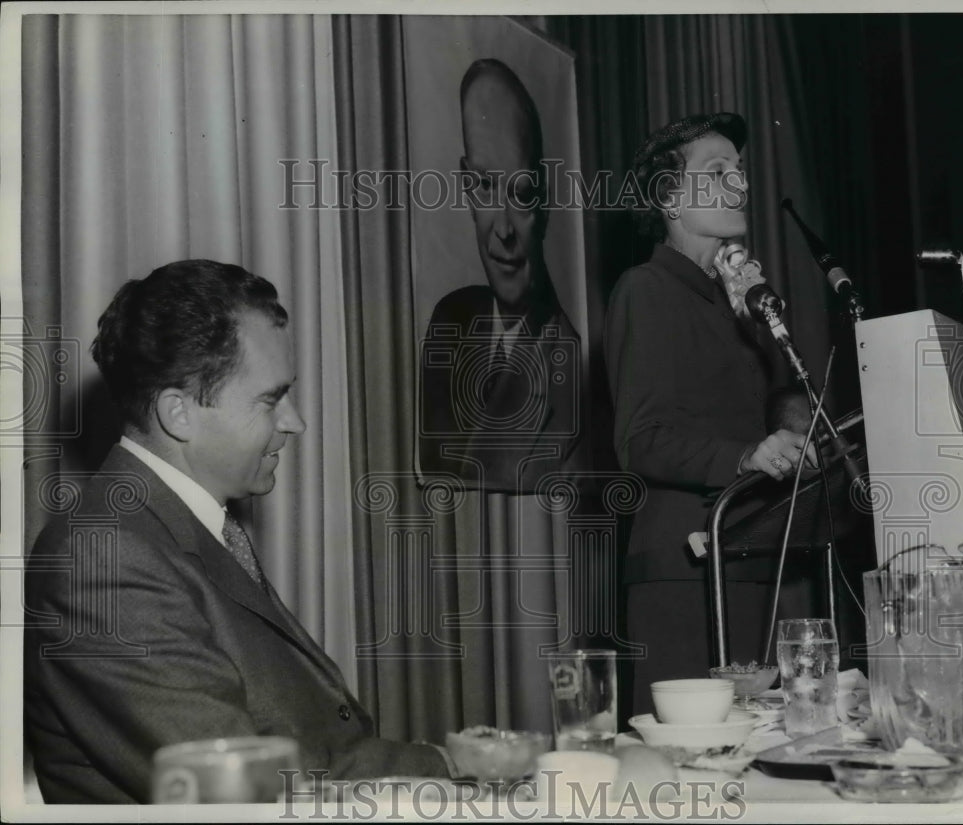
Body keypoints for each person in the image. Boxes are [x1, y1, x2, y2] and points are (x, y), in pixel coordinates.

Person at [23, 260, 452, 804]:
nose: (294, 422)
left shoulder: (179, 528)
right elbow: (246, 787)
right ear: (179, 414)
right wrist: (451, 764)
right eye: (271, 399)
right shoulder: (100, 558)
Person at [604, 113, 819, 715]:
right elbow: (639, 440)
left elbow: (781, 407)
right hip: (682, 579)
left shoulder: (727, 304)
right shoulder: (645, 289)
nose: (740, 185)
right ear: (670, 197)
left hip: (743, 562)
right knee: (691, 763)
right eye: (717, 172)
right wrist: (744, 456)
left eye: (741, 172)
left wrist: (753, 321)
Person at [418, 58, 584, 492]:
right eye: (485, 187)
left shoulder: (567, 361)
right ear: (465, 188)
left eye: (522, 193)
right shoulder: (450, 319)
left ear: (544, 205)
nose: (504, 231)